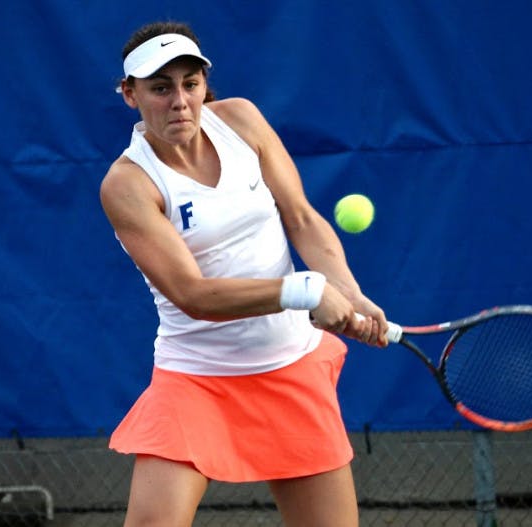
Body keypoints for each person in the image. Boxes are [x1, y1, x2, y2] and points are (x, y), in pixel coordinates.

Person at [100, 20, 390, 527]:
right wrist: (306, 290)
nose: (180, 102)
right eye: (160, 88)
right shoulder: (127, 184)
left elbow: (300, 216)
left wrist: (348, 290)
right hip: (196, 378)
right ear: (129, 95)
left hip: (289, 366)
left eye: (190, 84)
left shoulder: (241, 121)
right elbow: (194, 295)